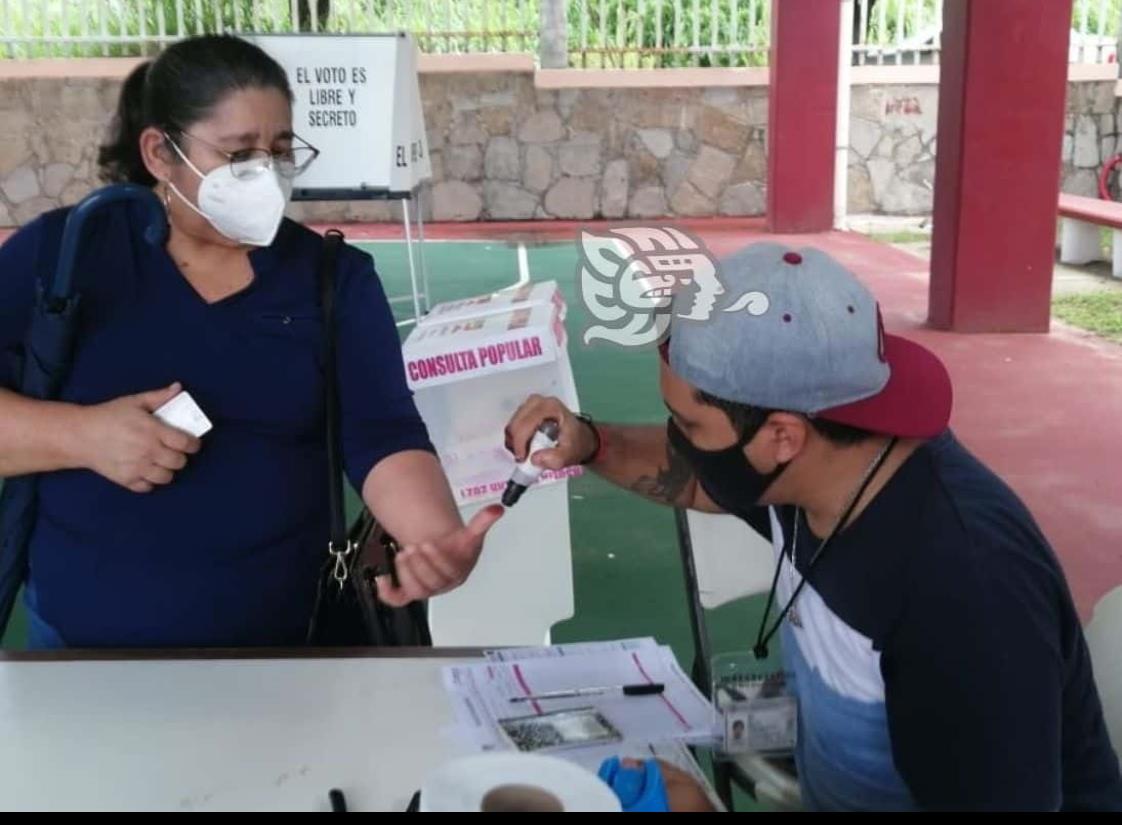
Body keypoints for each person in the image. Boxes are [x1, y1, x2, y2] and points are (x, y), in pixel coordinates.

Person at [506, 243, 1122, 811]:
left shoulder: (963, 596)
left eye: (690, 427)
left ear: (782, 436)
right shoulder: (824, 459)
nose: (680, 444)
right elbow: (697, 479)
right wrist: (590, 443)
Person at [0, 35, 500, 649]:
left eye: (281, 150)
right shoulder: (64, 255)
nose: (265, 174)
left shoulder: (331, 279)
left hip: (284, 650)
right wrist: (83, 437)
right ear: (160, 152)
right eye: (239, 153)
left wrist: (433, 539)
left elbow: (382, 434)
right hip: (84, 656)